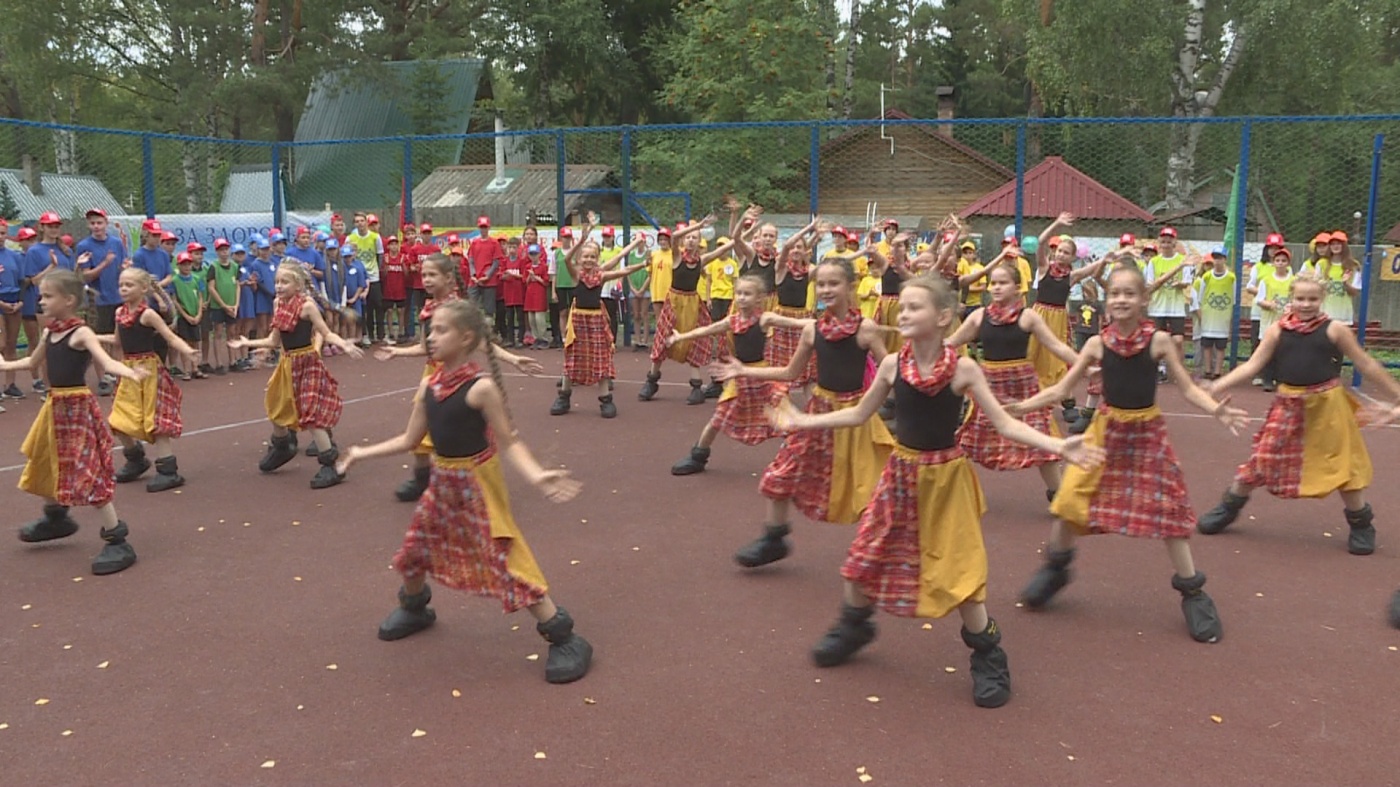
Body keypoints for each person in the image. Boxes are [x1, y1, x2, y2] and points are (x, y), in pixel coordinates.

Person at [769, 274, 1100, 708]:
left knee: (959, 571)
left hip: (946, 481)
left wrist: (1059, 444)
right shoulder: (892, 366)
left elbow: (1005, 423)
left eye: (914, 307)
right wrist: (802, 421)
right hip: (901, 476)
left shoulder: (963, 369)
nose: (903, 314)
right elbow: (856, 416)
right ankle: (855, 624)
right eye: (901, 307)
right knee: (863, 557)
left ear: (944, 317)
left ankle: (987, 652)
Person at [336, 299, 593, 683]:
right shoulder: (429, 385)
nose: (431, 336)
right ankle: (415, 606)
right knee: (415, 549)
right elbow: (411, 439)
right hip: (442, 483)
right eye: (430, 329)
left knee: (504, 558)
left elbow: (510, 442)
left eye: (441, 330)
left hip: (476, 486)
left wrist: (536, 475)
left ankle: (563, 635)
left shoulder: (481, 388)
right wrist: (361, 452)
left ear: (466, 337)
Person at [1007, 265, 1248, 644]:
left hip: (1146, 433)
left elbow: (1186, 389)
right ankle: (1056, 568)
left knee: (1168, 509)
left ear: (1144, 299)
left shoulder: (1160, 342)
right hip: (1106, 431)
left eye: (1129, 293)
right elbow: (1060, 391)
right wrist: (1020, 408)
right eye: (1115, 293)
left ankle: (1193, 591)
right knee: (1069, 500)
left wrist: (1215, 408)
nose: (1120, 299)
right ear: (1108, 299)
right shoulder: (1096, 345)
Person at [1196, 274, 1400, 554]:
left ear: (1322, 299)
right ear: (1290, 299)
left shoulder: (1335, 329)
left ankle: (1361, 524)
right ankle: (1228, 507)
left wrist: (1396, 394)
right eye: (1300, 298)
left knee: (1342, 467)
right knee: (1262, 457)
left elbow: (1366, 364)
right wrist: (1216, 385)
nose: (1306, 304)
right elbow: (1252, 365)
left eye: (1313, 299)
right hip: (1288, 404)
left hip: (1328, 407)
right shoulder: (1277, 331)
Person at [714, 258, 894, 567]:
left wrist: (889, 401)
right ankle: (774, 538)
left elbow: (892, 370)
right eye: (821, 284)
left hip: (855, 416)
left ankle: (884, 547)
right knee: (779, 474)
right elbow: (789, 372)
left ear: (851, 287)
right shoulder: (812, 330)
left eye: (833, 283)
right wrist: (744, 370)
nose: (826, 289)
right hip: (816, 414)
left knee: (869, 486)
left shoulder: (865, 329)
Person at [5, 270, 147, 574]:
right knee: (43, 459)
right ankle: (56, 517)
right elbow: (32, 363)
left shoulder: (80, 332)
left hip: (77, 407)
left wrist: (128, 372)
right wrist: (5, 363)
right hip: (54, 407)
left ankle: (116, 538)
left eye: (47, 296)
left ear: (68, 300)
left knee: (87, 470)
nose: (41, 301)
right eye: (41, 295)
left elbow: (105, 360)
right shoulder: (49, 332)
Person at [945, 263, 1078, 498]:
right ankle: (953, 488)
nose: (996, 288)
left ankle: (1059, 493)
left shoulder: (1028, 317)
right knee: (969, 439)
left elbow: (1056, 346)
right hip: (988, 387)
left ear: (1017, 288)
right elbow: (951, 342)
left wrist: (1085, 364)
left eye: (1002, 283)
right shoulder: (979, 316)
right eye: (993, 283)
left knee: (1040, 438)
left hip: (1023, 387)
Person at [228, 262, 363, 488]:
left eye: (285, 282)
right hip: (287, 364)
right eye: (277, 281)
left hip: (307, 362)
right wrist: (248, 342)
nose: (279, 286)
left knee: (310, 416)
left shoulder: (307, 306)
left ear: (298, 284)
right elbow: (273, 340)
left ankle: (330, 465)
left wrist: (344, 345)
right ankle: (283, 447)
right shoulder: (277, 303)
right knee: (275, 406)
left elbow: (326, 332)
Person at [669, 275, 808, 475]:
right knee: (718, 418)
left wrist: (821, 323)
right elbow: (707, 329)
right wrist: (681, 336)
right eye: (739, 293)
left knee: (784, 418)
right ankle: (698, 456)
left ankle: (799, 458)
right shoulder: (732, 321)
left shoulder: (765, 319)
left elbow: (795, 323)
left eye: (747, 294)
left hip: (762, 375)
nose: (742, 298)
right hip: (739, 377)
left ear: (759, 298)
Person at [102, 267, 198, 492]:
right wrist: (87, 337)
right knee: (118, 419)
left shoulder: (148, 314)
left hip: (149, 371)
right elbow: (117, 340)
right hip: (129, 371)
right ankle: (136, 459)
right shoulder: (119, 313)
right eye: (121, 285)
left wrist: (187, 351)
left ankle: (168, 470)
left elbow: (170, 337)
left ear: (144, 288)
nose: (123, 289)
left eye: (129, 285)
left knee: (156, 420)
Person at [549, 215, 647, 418]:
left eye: (592, 257)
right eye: (585, 257)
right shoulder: (576, 273)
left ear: (597, 259)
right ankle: (564, 396)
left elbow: (623, 265)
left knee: (601, 358)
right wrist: (582, 240)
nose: (588, 260)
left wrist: (644, 263)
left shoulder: (601, 274)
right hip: (577, 320)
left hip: (595, 319)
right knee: (573, 357)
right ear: (580, 258)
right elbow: (567, 259)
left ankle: (605, 400)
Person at [638, 215, 724, 405]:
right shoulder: (676, 256)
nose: (691, 240)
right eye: (689, 237)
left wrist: (738, 222)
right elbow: (675, 237)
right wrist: (699, 225)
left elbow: (729, 246)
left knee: (694, 340)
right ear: (684, 241)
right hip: (674, 302)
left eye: (695, 237)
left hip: (692, 303)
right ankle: (651, 380)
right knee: (662, 339)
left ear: (700, 240)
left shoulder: (702, 260)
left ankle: (696, 386)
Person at [75, 209, 126, 396]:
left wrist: (124, 268)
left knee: (118, 339)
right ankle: (103, 378)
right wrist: (105, 263)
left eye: (99, 222)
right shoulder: (84, 246)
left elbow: (122, 266)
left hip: (117, 297)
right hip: (98, 299)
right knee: (99, 339)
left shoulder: (116, 243)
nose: (96, 226)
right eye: (92, 223)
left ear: (106, 223)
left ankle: (118, 374)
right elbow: (85, 276)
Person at [1144, 227, 1193, 382]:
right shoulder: (1153, 262)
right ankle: (1160, 368)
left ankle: (1179, 371)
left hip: (1175, 307)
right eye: (1163, 241)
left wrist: (1181, 284)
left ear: (1174, 242)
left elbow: (1186, 281)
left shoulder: (1182, 260)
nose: (1166, 244)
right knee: (1158, 339)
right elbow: (1150, 285)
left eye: (1169, 241)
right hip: (1158, 307)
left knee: (1178, 340)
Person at [1246, 248, 1295, 393]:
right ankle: (1267, 379)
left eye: (1283, 261)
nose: (1280, 263)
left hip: (1285, 321)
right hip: (1269, 321)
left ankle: (1281, 379)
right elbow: (1259, 299)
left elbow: (1296, 299)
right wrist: (1268, 304)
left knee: (1283, 350)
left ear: (1288, 263)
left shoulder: (1293, 281)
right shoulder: (1266, 281)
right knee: (1269, 349)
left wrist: (1291, 307)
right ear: (1273, 263)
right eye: (1278, 260)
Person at [1194, 248, 1236, 380]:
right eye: (1215, 258)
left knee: (1220, 347)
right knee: (1207, 345)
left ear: (1225, 259)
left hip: (1222, 317)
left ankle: (1217, 371)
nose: (1217, 261)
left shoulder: (1231, 277)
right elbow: (1201, 298)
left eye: (1220, 258)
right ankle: (1207, 370)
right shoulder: (1206, 277)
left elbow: (1233, 298)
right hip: (1209, 317)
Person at [170, 252, 206, 380]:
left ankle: (195, 367)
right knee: (184, 342)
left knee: (196, 342)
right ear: (178, 265)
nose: (186, 267)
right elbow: (174, 300)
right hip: (183, 317)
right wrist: (185, 315)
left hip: (195, 315)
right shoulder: (175, 280)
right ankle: (186, 370)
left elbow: (201, 297)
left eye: (188, 264)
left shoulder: (196, 279)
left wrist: (199, 314)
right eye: (183, 264)